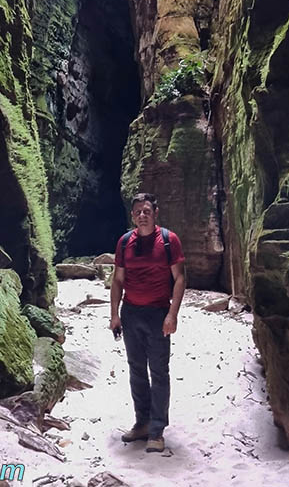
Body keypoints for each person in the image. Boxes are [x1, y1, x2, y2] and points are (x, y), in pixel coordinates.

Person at [109, 193, 186, 454]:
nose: (143, 215)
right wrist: (115, 314)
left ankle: (156, 431)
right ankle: (142, 423)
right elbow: (118, 280)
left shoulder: (168, 240)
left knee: (159, 372)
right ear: (132, 216)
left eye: (147, 211)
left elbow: (179, 279)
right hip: (131, 313)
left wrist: (172, 315)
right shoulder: (124, 243)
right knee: (137, 370)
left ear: (155, 212)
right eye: (138, 211)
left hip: (157, 314)